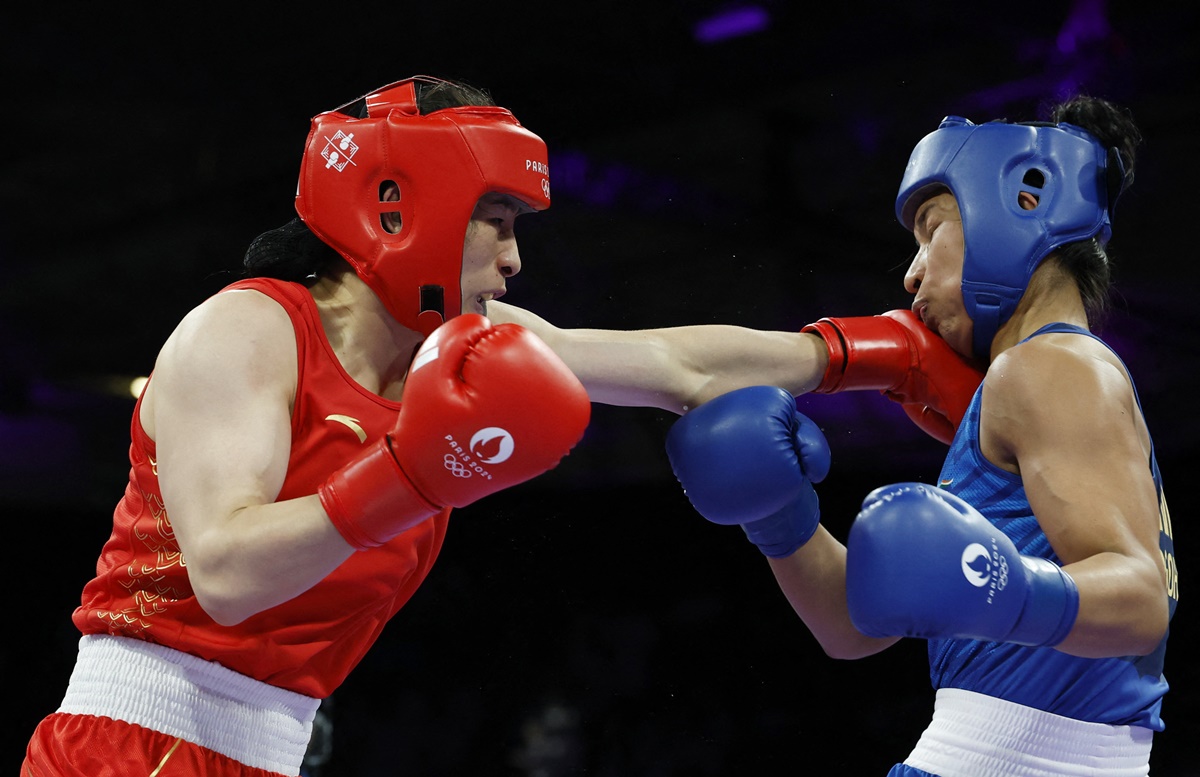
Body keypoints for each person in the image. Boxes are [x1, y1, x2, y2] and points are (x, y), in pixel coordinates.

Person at [22, 74, 982, 776]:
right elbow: (226, 576)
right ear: (399, 206)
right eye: (500, 222)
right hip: (130, 744)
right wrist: (410, 473)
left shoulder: (463, 346)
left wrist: (871, 355)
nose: (517, 260)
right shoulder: (249, 329)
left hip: (269, 747)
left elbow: (672, 365)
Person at [666, 94, 1176, 775]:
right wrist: (780, 515)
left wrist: (1007, 587)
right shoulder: (1019, 387)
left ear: (1021, 205)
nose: (910, 273)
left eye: (931, 229)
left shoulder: (1053, 363)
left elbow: (1140, 602)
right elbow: (854, 628)